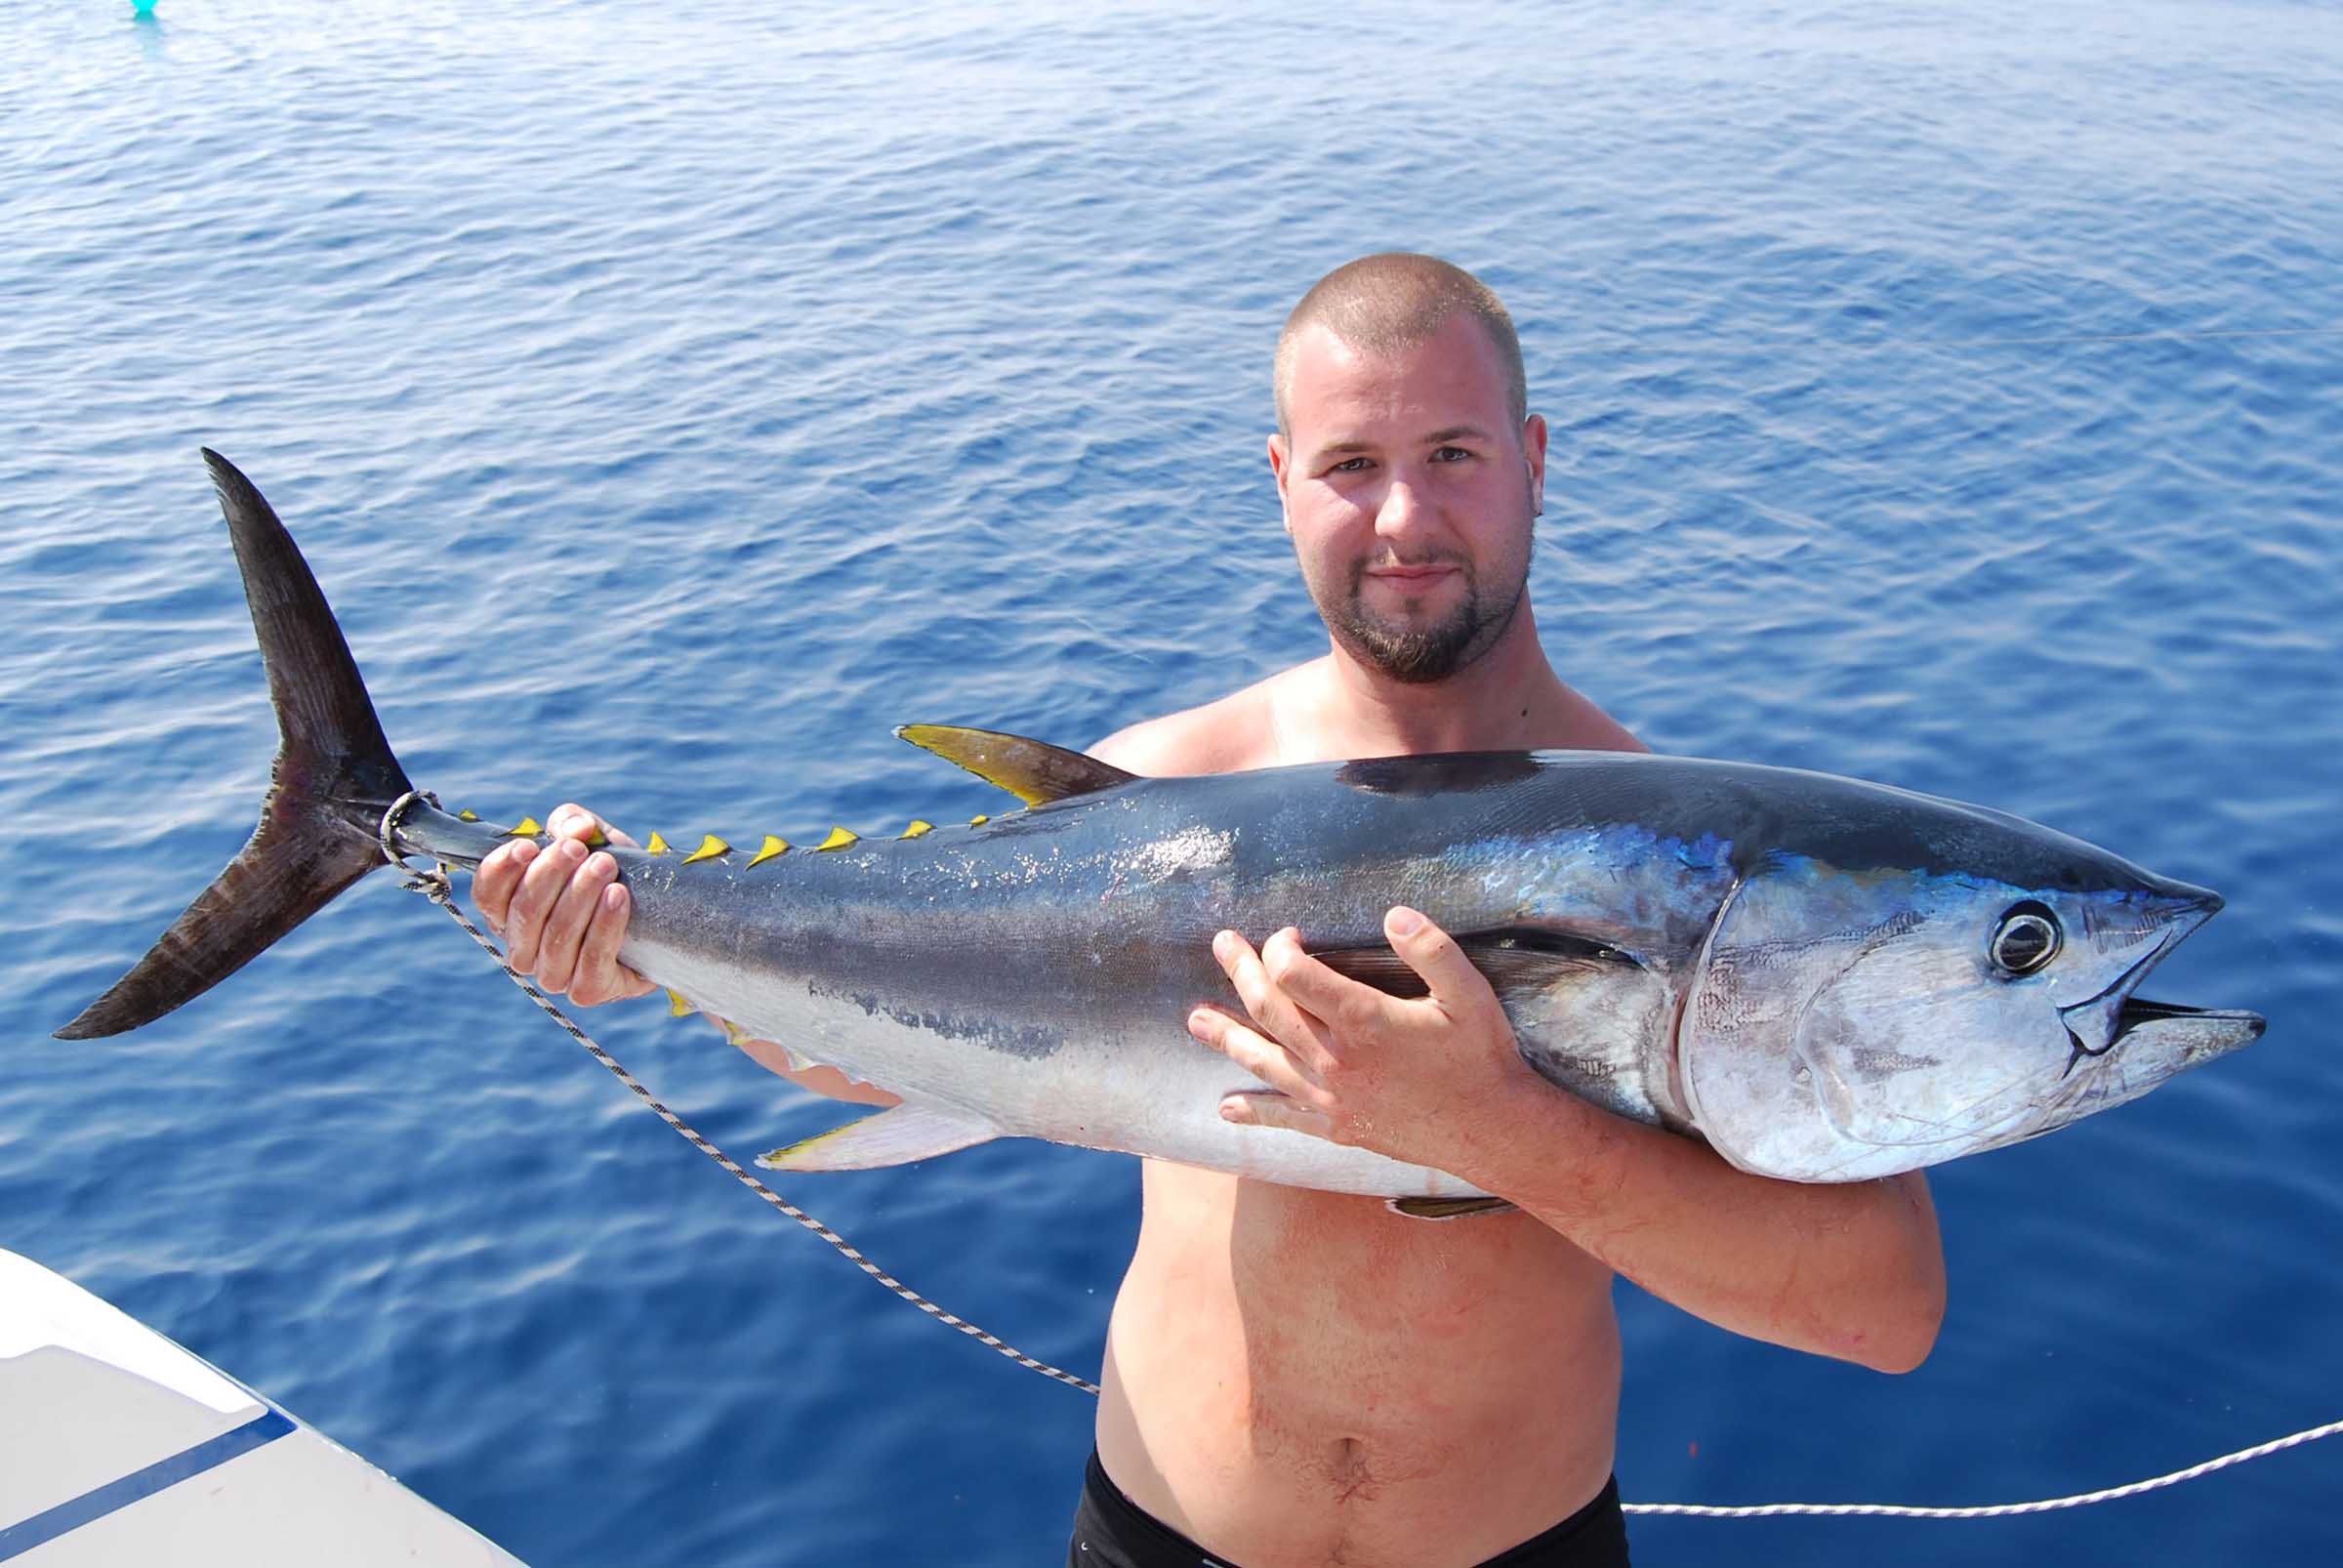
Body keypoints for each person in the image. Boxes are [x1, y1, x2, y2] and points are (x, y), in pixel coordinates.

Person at [473, 254, 1947, 1568]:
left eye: (1454, 452)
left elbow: (1884, 1309)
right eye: (1350, 462)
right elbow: (903, 1044)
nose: (1405, 516)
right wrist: (627, 940)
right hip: (1159, 1540)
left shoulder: (1688, 873)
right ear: (1280, 479)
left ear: (1536, 461)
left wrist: (1499, 1129)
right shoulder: (1163, 788)